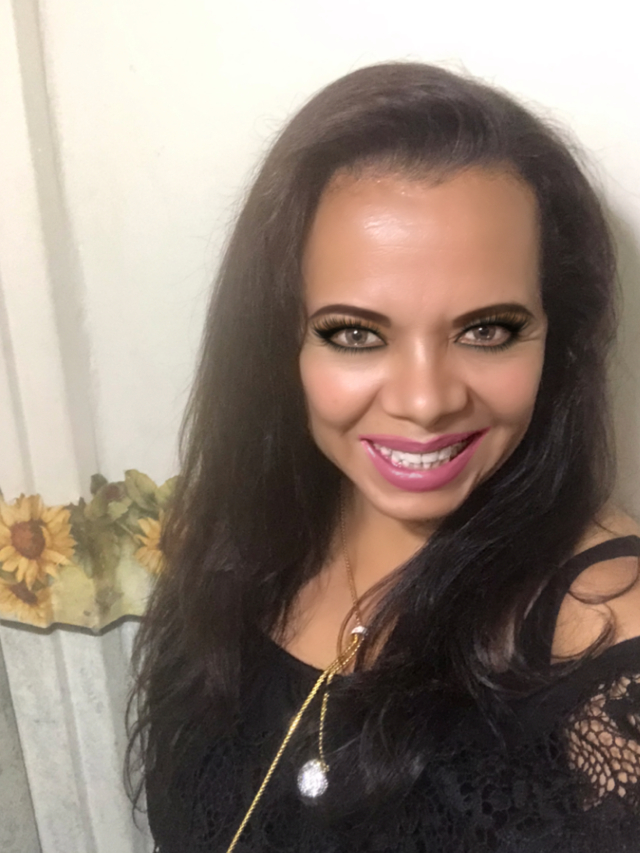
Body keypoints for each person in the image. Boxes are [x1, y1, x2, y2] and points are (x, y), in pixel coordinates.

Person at [127, 62, 640, 852]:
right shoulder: (234, 539)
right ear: (280, 340)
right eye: (356, 334)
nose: (426, 401)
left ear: (556, 338)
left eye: (488, 329)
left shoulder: (608, 635)